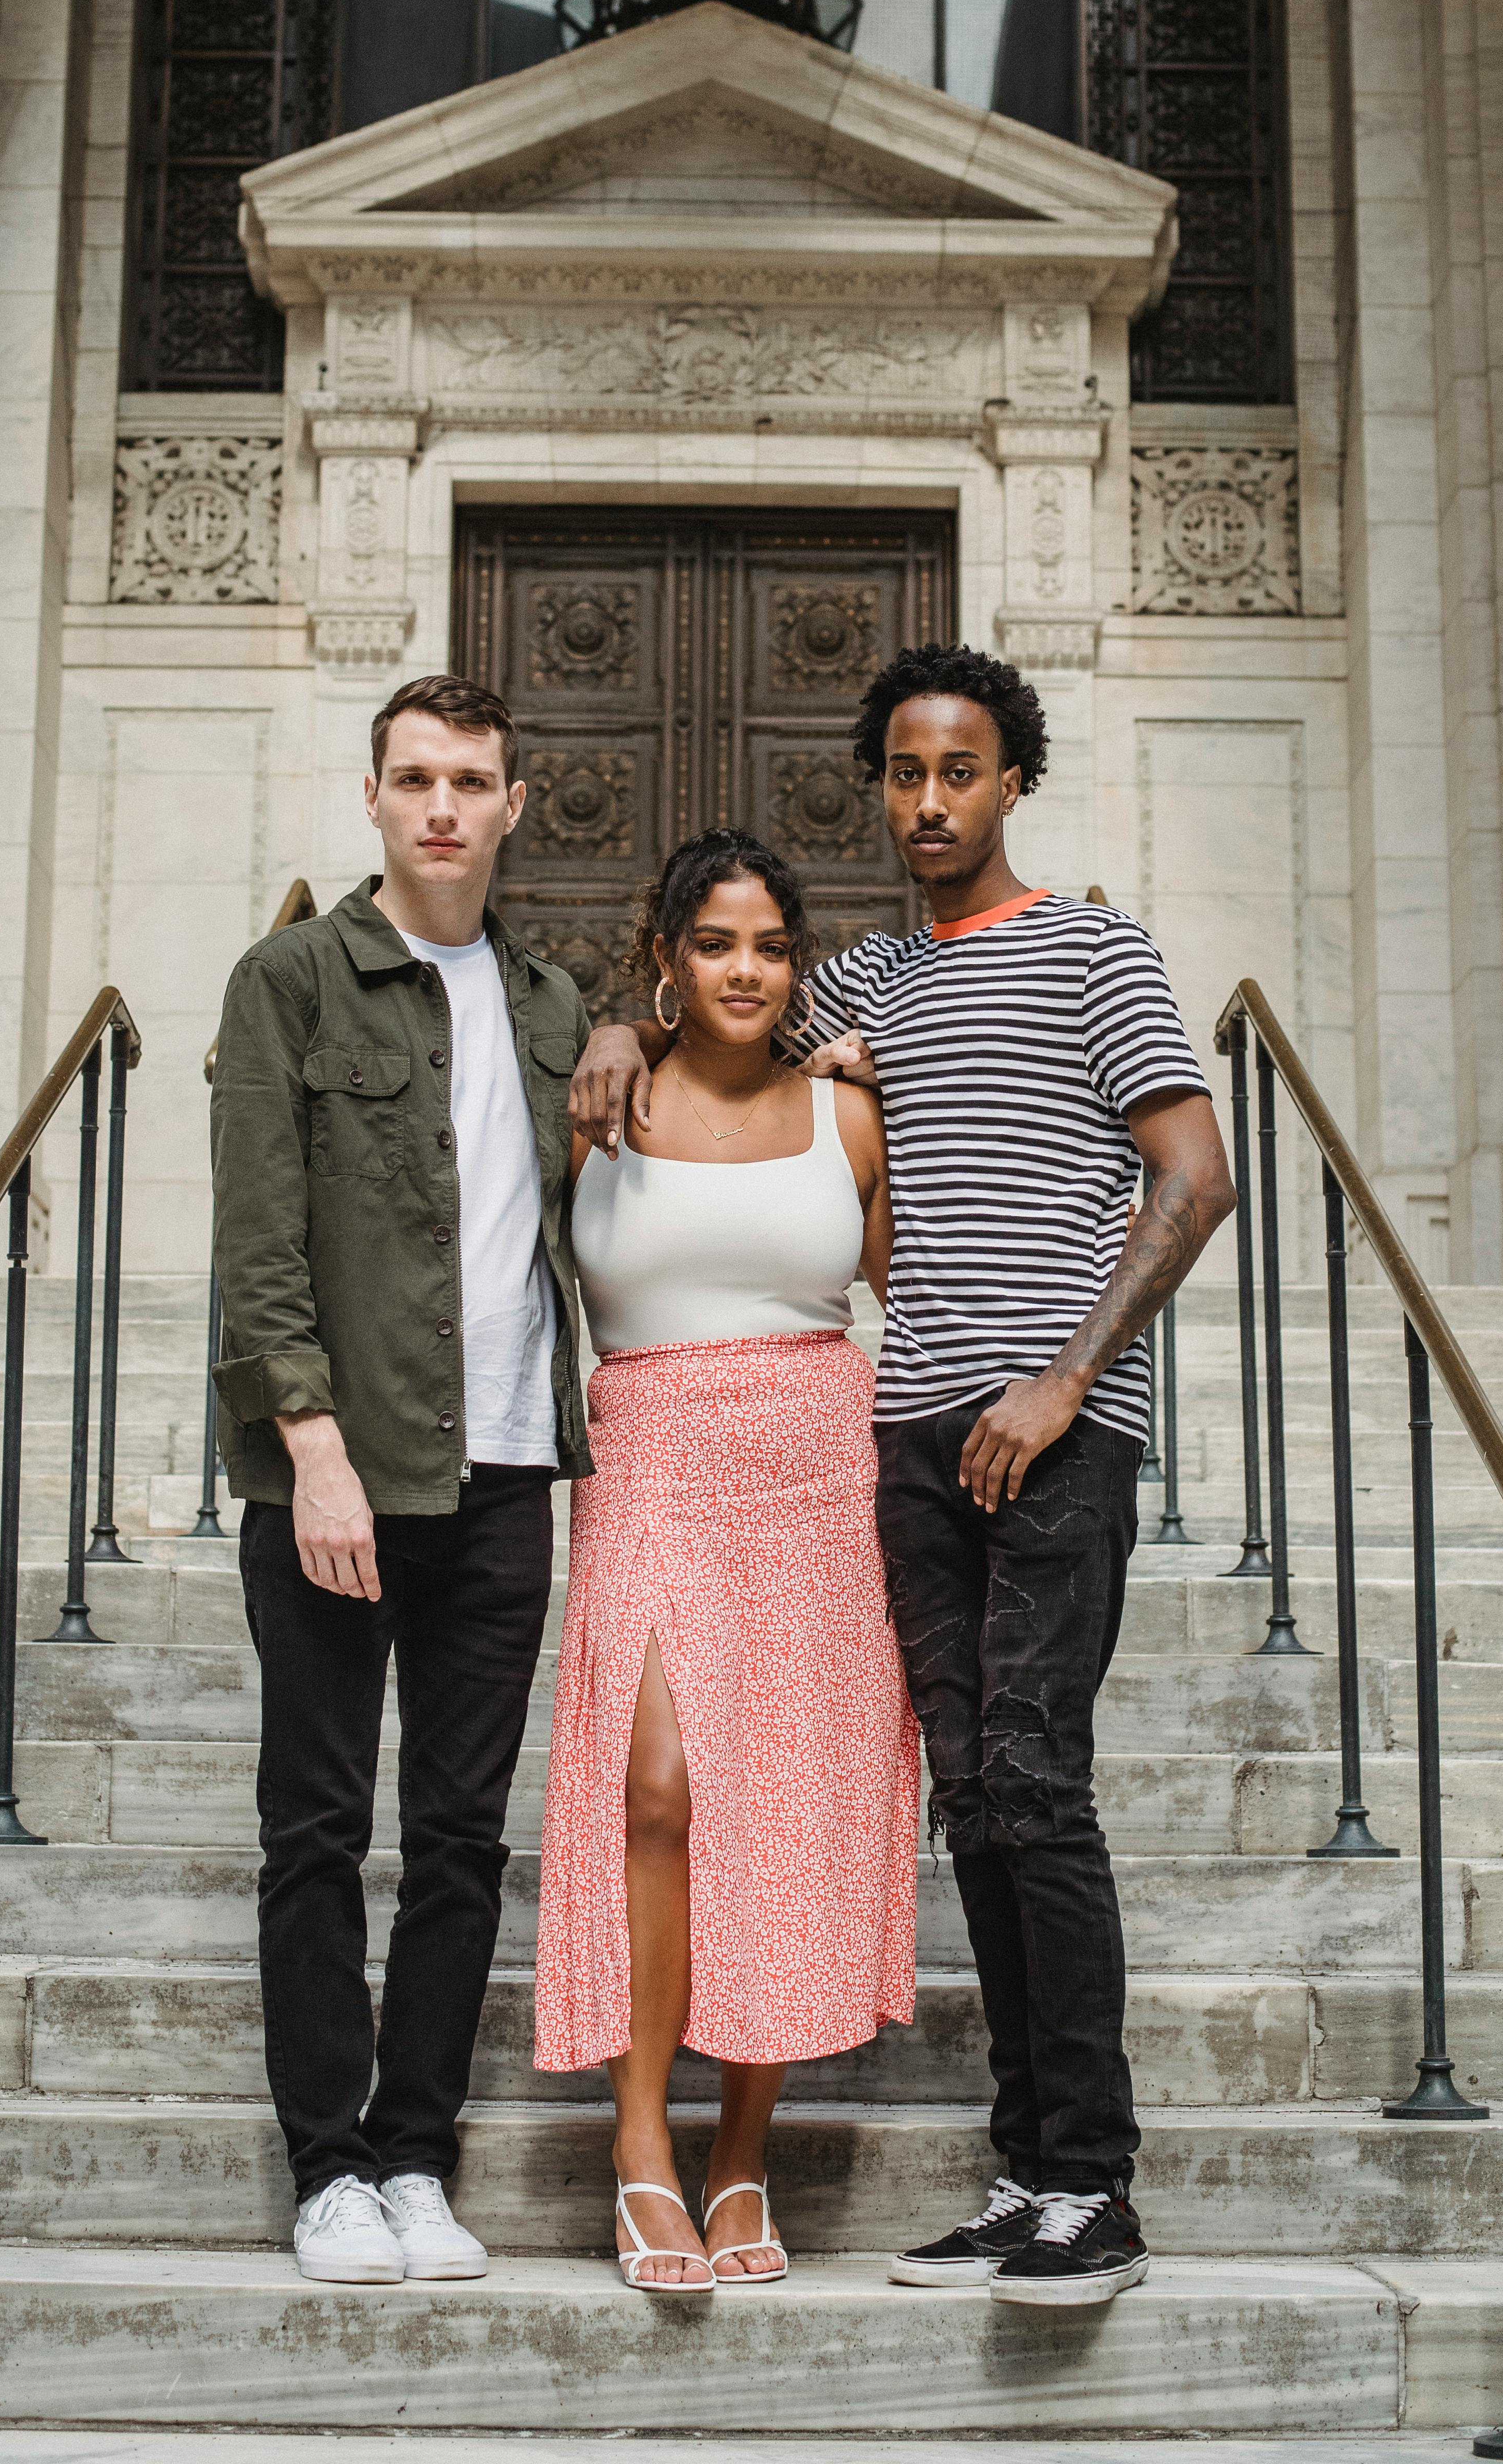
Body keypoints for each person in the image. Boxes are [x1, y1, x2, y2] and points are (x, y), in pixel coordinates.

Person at [570, 643, 1234, 2310]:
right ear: (879, 785)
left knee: (1035, 1781)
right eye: (906, 773)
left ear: (1016, 779)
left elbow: (1196, 1174)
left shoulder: (1097, 950)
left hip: (1056, 1431)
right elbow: (719, 1002)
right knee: (977, 1802)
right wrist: (599, 1017)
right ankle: (1031, 2174)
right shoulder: (860, 986)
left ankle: (1092, 2179)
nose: (931, 800)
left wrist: (1068, 1381)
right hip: (904, 1443)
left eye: (964, 769)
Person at [209, 672, 594, 2288]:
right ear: (372, 796)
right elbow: (260, 1242)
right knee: (315, 1825)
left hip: (506, 1475)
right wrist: (313, 1452)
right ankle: (329, 2169)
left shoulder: (555, 1004)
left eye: (474, 781)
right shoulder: (292, 981)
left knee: (458, 1838)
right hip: (340, 1476)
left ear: (514, 806)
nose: (444, 807)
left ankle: (420, 2159)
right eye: (416, 777)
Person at [535, 827, 916, 2296]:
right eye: (714, 944)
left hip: (820, 1464)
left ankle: (743, 2152)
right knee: (657, 1790)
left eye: (769, 945)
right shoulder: (600, 1102)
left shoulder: (850, 1117)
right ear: (667, 960)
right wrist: (614, 1037)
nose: (746, 970)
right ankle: (642, 2144)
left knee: (778, 1809)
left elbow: (926, 1298)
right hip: (652, 1452)